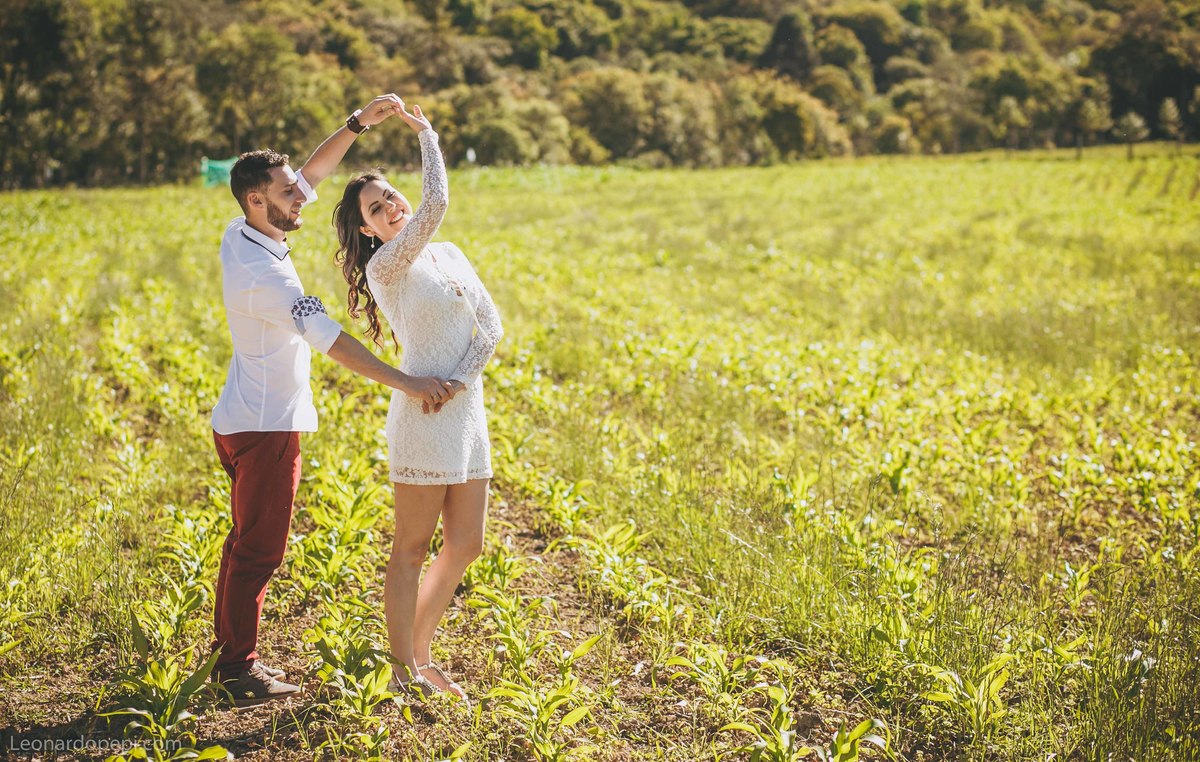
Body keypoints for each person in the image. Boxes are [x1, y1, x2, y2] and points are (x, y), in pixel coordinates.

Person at [210, 94, 450, 707]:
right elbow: (335, 343)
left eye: (296, 187)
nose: (303, 196)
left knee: (245, 542)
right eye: (289, 194)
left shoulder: (244, 231)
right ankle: (238, 668)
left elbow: (312, 172)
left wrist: (356, 125)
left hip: (243, 414)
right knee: (259, 549)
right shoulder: (269, 278)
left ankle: (229, 654)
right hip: (265, 426)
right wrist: (409, 382)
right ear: (257, 201)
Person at [332, 103, 503, 700]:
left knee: (467, 544)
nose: (391, 208)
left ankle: (421, 655)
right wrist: (427, 133)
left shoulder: (449, 254)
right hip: (422, 418)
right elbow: (437, 205)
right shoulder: (388, 267)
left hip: (464, 411)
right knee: (410, 548)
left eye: (390, 196)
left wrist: (459, 381)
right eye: (376, 209)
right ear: (368, 230)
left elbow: (491, 327)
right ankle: (402, 668)